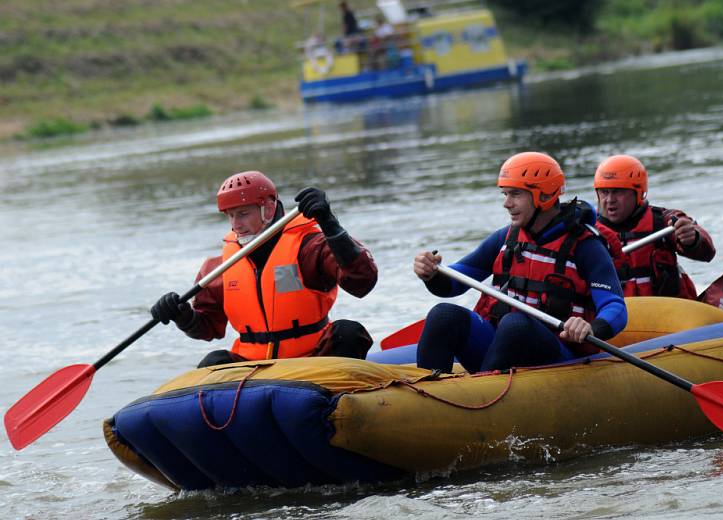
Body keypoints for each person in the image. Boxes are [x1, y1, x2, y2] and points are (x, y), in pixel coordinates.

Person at [413, 152, 627, 374]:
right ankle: (429, 395)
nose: (506, 203)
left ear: (543, 196)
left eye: (515, 194)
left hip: (559, 357)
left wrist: (590, 327)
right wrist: (431, 272)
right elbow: (454, 283)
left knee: (516, 325)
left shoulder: (586, 246)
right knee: (443, 315)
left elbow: (616, 307)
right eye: (505, 194)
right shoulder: (507, 237)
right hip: (504, 349)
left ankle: (485, 396)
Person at [151, 171, 376, 367]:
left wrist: (329, 223)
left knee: (349, 333)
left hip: (313, 358)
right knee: (213, 362)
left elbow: (362, 282)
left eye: (243, 213)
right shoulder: (219, 266)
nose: (235, 225)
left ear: (268, 208)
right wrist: (181, 315)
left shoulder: (311, 246)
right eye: (230, 215)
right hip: (255, 366)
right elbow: (208, 328)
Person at [594, 154, 715, 300]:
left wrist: (692, 239)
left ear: (638, 193)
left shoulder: (664, 221)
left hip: (670, 313)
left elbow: (708, 252)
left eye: (618, 192)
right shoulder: (588, 232)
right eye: (604, 192)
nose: (610, 200)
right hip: (621, 317)